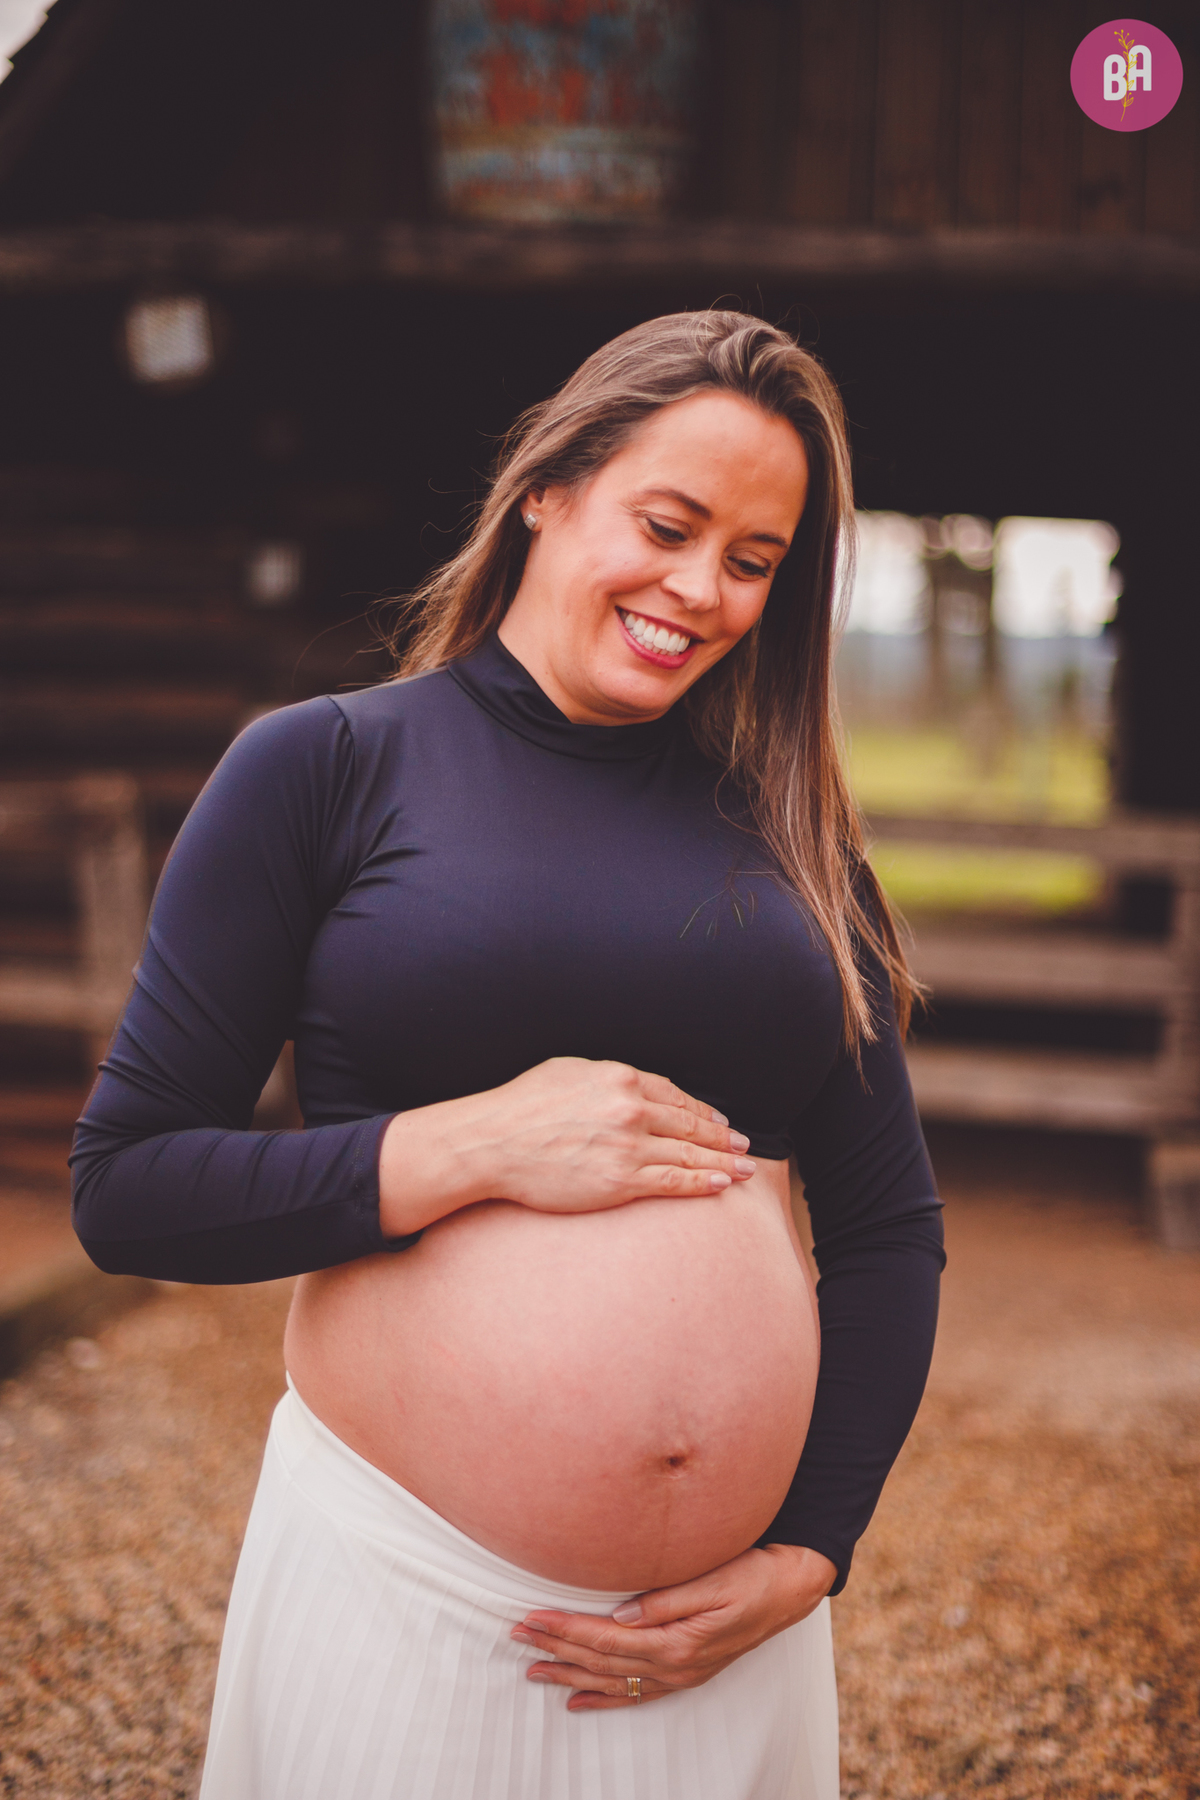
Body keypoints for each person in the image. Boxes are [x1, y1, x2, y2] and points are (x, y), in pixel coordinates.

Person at [71, 311, 944, 1800]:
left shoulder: (797, 847)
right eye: (667, 526)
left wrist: (809, 1551)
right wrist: (470, 1147)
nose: (701, 590)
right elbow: (129, 1186)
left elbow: (887, 1232)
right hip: (412, 1597)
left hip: (722, 1644)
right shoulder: (326, 767)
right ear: (548, 486)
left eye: (752, 559)